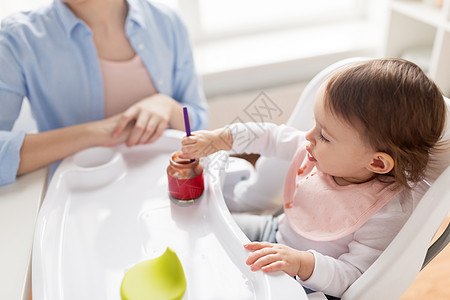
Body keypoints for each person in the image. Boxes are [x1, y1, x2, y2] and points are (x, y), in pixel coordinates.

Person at [180, 58, 447, 298]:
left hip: (307, 283)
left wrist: (302, 263)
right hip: (272, 232)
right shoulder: (319, 150)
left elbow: (354, 277)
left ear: (377, 162)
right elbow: (271, 136)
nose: (308, 137)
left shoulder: (385, 212)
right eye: (316, 125)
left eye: (324, 135)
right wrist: (222, 138)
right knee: (202, 225)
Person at [0, 0, 209, 186]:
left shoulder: (166, 22)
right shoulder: (17, 39)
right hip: (80, 208)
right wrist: (101, 132)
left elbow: (200, 126)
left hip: (172, 193)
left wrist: (168, 107)